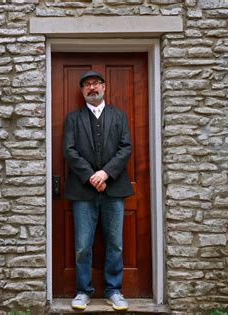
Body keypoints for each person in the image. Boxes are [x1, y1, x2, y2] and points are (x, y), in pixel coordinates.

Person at [63, 70, 134, 311]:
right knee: (83, 245)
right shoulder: (73, 118)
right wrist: (91, 176)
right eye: (87, 85)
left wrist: (106, 173)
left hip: (114, 189)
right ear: (82, 91)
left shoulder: (119, 116)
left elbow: (125, 148)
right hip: (83, 191)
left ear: (104, 87)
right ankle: (83, 291)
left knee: (115, 243)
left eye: (96, 83)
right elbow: (69, 151)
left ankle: (114, 290)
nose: (92, 88)